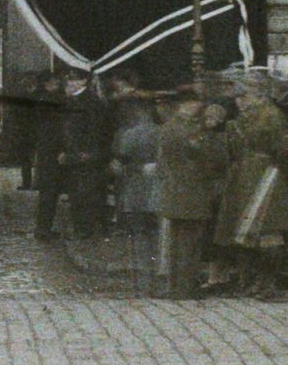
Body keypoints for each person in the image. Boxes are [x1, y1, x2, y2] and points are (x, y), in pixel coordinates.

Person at [215, 77, 288, 299]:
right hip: (242, 177)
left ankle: (268, 283)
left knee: (268, 231)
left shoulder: (272, 115)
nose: (240, 101)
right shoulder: (240, 119)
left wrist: (279, 174)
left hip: (266, 176)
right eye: (237, 97)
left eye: (245, 95)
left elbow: (285, 150)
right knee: (244, 231)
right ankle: (251, 281)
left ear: (260, 94)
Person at [155, 91, 228, 300]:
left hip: (174, 192)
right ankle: (185, 288)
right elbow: (209, 157)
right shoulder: (191, 130)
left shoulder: (169, 127)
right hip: (193, 192)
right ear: (187, 104)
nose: (200, 106)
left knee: (177, 242)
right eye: (197, 102)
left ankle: (175, 286)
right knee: (190, 242)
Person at [108, 81, 164, 295]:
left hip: (135, 192)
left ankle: (141, 283)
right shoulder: (162, 131)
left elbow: (117, 166)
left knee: (138, 237)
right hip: (158, 193)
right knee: (156, 236)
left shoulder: (128, 134)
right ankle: (157, 280)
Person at [60, 75, 114, 239]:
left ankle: (85, 229)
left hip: (85, 154)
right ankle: (88, 228)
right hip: (78, 153)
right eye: (68, 79)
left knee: (84, 192)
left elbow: (95, 130)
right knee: (81, 191)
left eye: (73, 79)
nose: (69, 83)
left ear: (83, 81)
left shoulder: (90, 102)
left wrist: (87, 151)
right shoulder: (76, 100)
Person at [30, 75, 70, 240]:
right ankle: (43, 229)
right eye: (55, 82)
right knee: (50, 193)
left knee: (47, 193)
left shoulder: (41, 101)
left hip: (45, 153)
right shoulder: (52, 101)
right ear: (47, 84)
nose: (59, 84)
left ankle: (43, 228)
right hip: (52, 154)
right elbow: (57, 130)